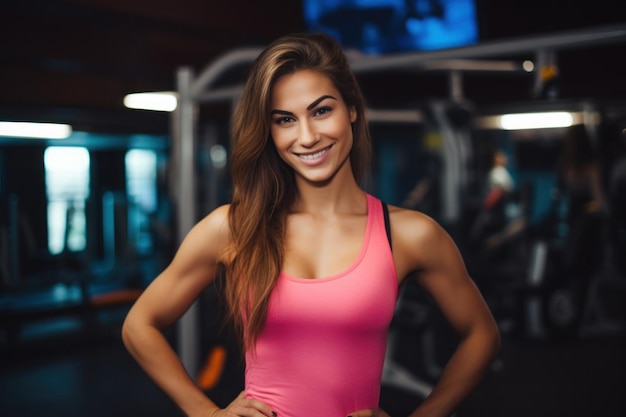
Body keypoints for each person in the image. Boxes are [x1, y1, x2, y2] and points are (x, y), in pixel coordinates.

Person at [122, 32, 500, 417]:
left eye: (321, 111)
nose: (306, 137)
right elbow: (140, 324)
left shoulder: (409, 234)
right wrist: (205, 413)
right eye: (285, 120)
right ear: (269, 132)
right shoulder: (234, 227)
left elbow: (482, 335)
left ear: (352, 108)